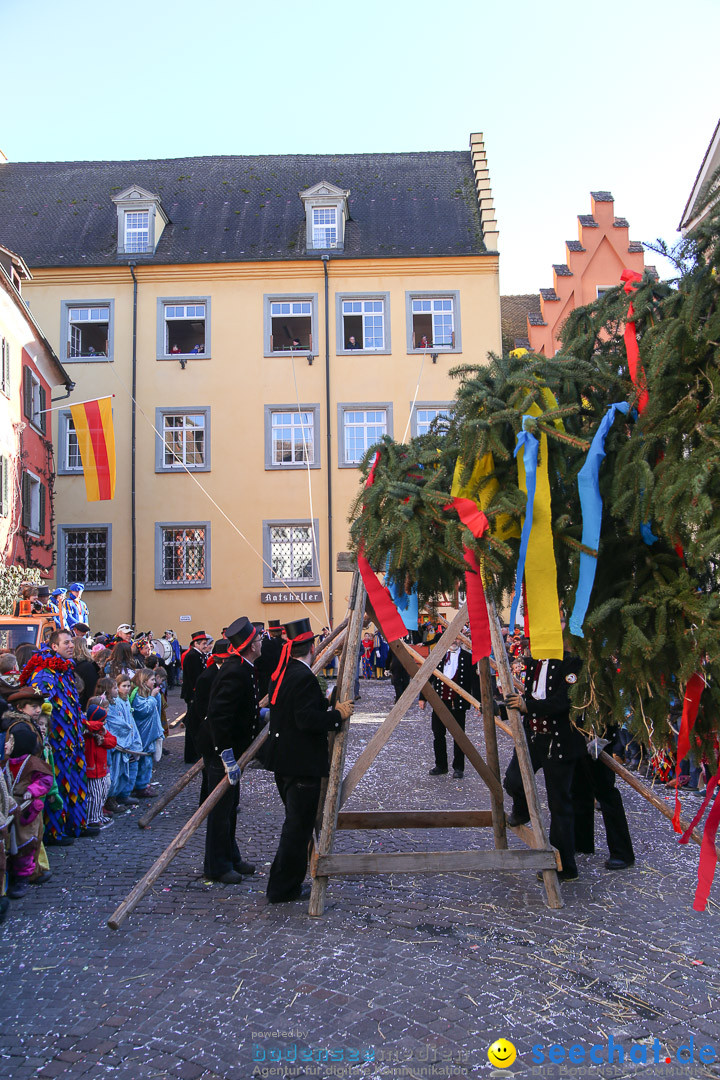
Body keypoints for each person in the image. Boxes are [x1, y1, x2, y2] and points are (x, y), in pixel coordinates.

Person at [265, 618, 354, 903]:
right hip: (301, 764)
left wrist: (327, 703)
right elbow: (305, 719)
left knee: (295, 827)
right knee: (297, 830)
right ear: (312, 647)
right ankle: (283, 888)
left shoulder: (284, 673)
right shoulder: (302, 676)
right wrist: (336, 716)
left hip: (286, 762)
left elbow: (297, 710)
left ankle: (283, 884)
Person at [502, 617, 586, 882]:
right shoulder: (536, 662)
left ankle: (565, 866)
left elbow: (563, 701)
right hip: (533, 738)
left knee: (559, 805)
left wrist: (529, 707)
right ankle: (522, 808)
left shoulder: (572, 663)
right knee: (512, 780)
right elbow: (529, 695)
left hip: (559, 742)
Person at [197, 616, 261, 884]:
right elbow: (219, 716)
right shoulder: (235, 670)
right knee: (221, 810)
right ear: (250, 645)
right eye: (258, 639)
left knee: (230, 807)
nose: (261, 643)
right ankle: (217, 865)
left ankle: (231, 856)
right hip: (222, 752)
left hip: (232, 750)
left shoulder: (244, 667)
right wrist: (226, 755)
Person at [20, 628, 92, 843]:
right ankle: (54, 832)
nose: (71, 646)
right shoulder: (44, 673)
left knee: (77, 782)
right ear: (54, 647)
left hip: (73, 740)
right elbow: (37, 708)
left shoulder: (66, 671)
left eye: (72, 642)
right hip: (57, 742)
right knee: (57, 785)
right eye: (66, 643)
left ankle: (76, 824)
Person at [2, 719, 53, 899]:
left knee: (25, 844)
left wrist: (32, 791)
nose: (6, 745)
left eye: (11, 741)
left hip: (26, 811)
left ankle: (24, 877)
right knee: (9, 844)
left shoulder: (32, 763)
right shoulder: (6, 764)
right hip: (8, 810)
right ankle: (11, 875)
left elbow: (46, 780)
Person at [572, 729, 636, 871]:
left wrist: (604, 736)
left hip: (598, 733)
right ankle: (582, 842)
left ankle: (622, 851)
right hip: (575, 733)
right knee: (578, 787)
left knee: (605, 791)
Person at [421, 640, 477, 779]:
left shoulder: (468, 657)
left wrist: (478, 702)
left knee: (459, 736)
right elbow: (428, 676)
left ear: (460, 640)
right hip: (439, 702)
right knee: (438, 734)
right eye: (450, 637)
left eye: (456, 638)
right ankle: (441, 765)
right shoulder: (438, 656)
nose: (453, 641)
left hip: (457, 704)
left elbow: (475, 681)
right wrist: (423, 697)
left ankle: (458, 768)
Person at [101, 675, 143, 808]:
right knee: (115, 772)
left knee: (125, 770)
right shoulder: (112, 703)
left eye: (128, 686)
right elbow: (115, 723)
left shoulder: (122, 701)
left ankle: (121, 794)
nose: (126, 689)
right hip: (117, 744)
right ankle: (112, 798)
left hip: (126, 741)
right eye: (121, 686)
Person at [128, 669, 164, 798]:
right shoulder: (138, 694)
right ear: (144, 681)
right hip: (144, 731)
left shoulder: (147, 693)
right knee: (144, 758)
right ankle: (141, 786)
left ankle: (143, 783)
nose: (155, 682)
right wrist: (153, 697)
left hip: (150, 730)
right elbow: (144, 710)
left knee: (147, 759)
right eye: (152, 680)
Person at [82, 700, 117, 829]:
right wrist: (99, 726)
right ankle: (92, 818)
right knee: (94, 796)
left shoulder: (101, 732)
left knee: (101, 794)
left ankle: (98, 815)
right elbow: (90, 725)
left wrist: (102, 739)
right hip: (92, 771)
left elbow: (112, 741)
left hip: (101, 769)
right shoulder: (87, 731)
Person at [181, 631, 212, 763]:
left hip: (194, 694)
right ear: (196, 643)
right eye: (204, 644)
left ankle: (194, 753)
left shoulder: (198, 655)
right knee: (192, 724)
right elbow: (195, 679)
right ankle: (191, 754)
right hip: (193, 695)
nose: (206, 646)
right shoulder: (193, 656)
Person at [255, 620, 285, 700]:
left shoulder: (264, 645)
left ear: (270, 632)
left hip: (265, 680)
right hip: (283, 677)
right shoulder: (285, 644)